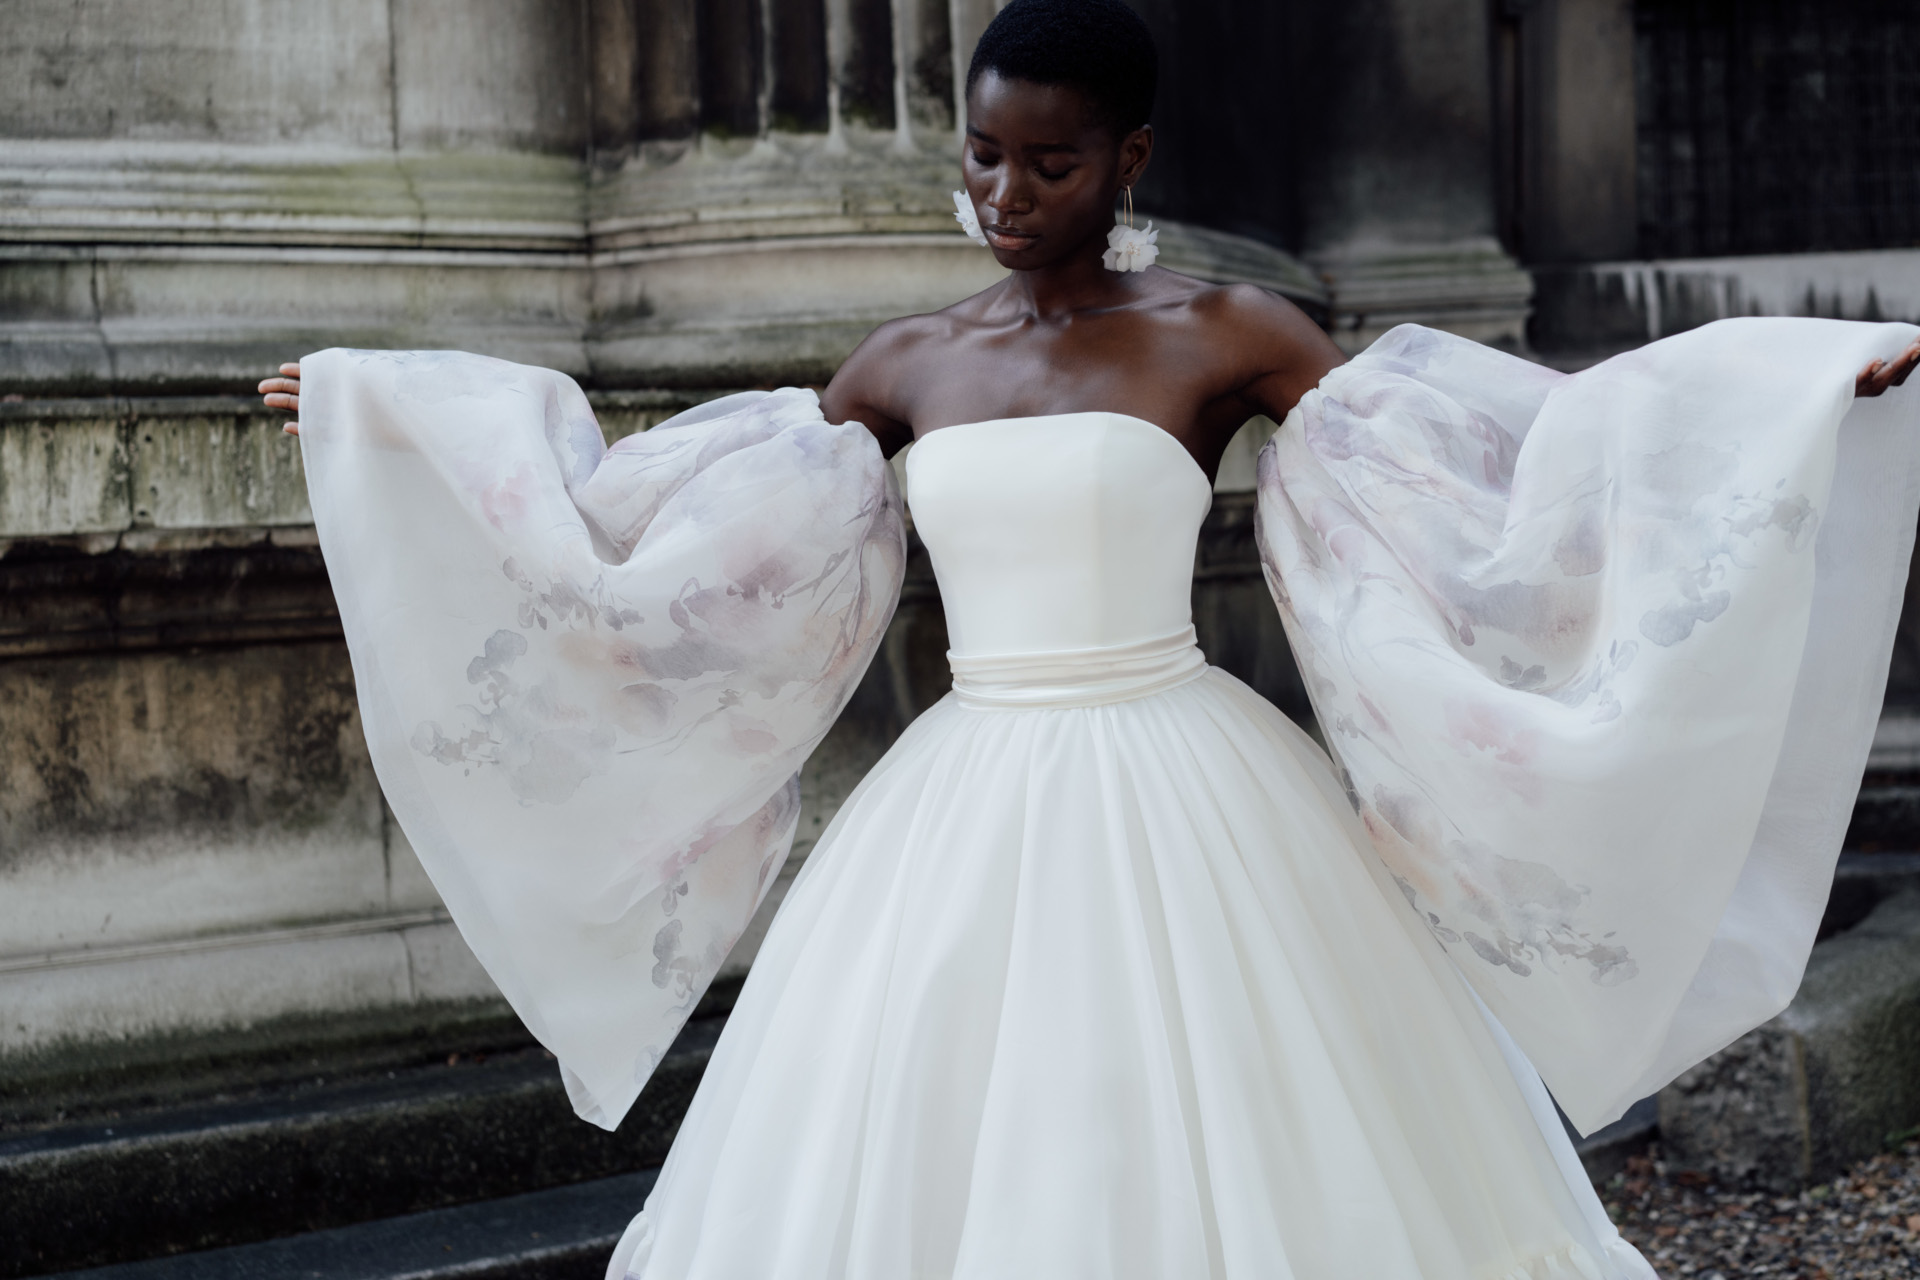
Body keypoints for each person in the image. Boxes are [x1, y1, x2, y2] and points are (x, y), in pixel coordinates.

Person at [260, 2, 1920, 1276]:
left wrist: (1773, 400)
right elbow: (644, 534)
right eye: (982, 155)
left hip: (1191, 787)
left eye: (1048, 163)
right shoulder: (906, 361)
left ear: (1129, 158)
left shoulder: (1228, 332)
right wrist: (386, 418)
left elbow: (1512, 478)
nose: (1004, 194)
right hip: (962, 803)